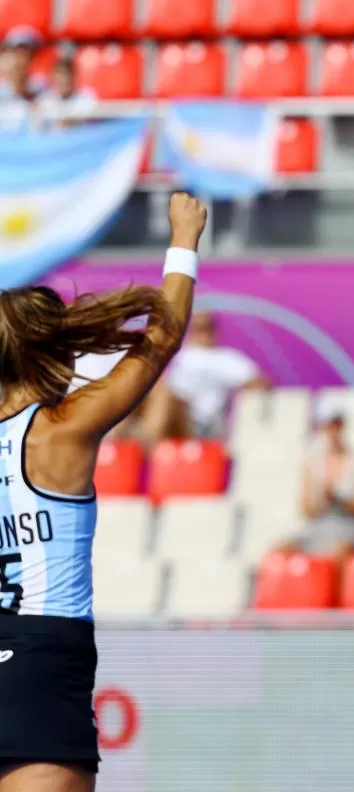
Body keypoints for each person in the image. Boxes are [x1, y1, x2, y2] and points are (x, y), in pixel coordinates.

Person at [0, 192, 206, 792]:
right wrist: (184, 240)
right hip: (42, 659)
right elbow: (159, 343)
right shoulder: (59, 431)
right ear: (51, 354)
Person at [165, 312, 269, 438]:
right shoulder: (179, 356)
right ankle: (142, 446)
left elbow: (261, 382)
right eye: (198, 327)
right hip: (176, 416)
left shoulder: (226, 358)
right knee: (161, 394)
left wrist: (242, 396)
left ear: (214, 329)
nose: (203, 332)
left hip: (209, 421)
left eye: (207, 327)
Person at [292, 404, 354, 559]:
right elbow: (306, 509)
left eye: (337, 424)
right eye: (329, 425)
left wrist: (338, 500)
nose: (333, 430)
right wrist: (321, 504)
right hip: (320, 527)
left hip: (351, 527)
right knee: (280, 551)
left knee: (339, 551)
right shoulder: (311, 463)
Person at [36, 56, 97, 130]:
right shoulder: (45, 99)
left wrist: (71, 121)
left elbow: (90, 117)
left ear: (74, 76)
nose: (64, 80)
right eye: (60, 75)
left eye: (67, 75)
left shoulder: (86, 96)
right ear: (53, 77)